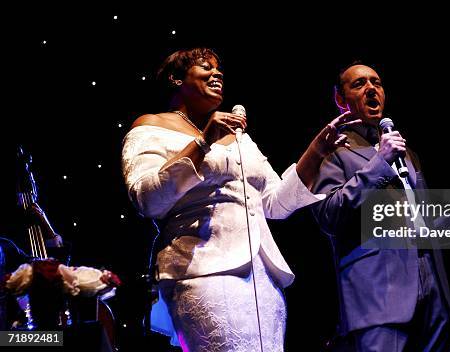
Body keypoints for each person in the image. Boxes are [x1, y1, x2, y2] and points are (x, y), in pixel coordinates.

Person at [120, 47, 360, 352]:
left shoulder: (238, 137)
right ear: (176, 78)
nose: (217, 73)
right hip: (203, 270)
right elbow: (147, 199)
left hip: (261, 276)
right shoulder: (152, 126)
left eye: (219, 69)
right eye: (205, 67)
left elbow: (274, 203)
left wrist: (316, 153)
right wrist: (202, 143)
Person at [310, 62, 450, 351]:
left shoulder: (408, 154)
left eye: (376, 83)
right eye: (359, 84)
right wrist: (380, 162)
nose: (371, 89)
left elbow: (425, 227)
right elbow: (329, 216)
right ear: (341, 100)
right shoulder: (330, 150)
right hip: (379, 299)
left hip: (432, 296)